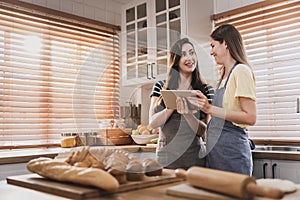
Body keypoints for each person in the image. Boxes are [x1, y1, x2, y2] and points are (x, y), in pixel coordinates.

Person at [188, 24, 256, 175]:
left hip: (232, 153)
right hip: (216, 153)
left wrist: (210, 108)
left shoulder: (241, 71)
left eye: (213, 46)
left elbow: (250, 117)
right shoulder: (224, 76)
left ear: (225, 43)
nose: (211, 52)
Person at [149, 38, 214, 170]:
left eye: (191, 53)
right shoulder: (161, 87)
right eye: (183, 54)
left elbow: (204, 131)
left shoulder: (206, 90)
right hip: (166, 159)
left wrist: (188, 115)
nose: (189, 58)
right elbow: (152, 123)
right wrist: (170, 108)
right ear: (176, 60)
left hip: (195, 159)